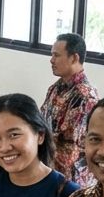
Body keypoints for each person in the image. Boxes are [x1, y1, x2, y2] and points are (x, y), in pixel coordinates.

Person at [40, 32, 99, 187]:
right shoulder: (55, 88)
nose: (51, 60)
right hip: (48, 167)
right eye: (51, 55)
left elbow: (70, 150)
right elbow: (40, 123)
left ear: (74, 58)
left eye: (56, 55)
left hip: (71, 180)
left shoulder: (85, 96)